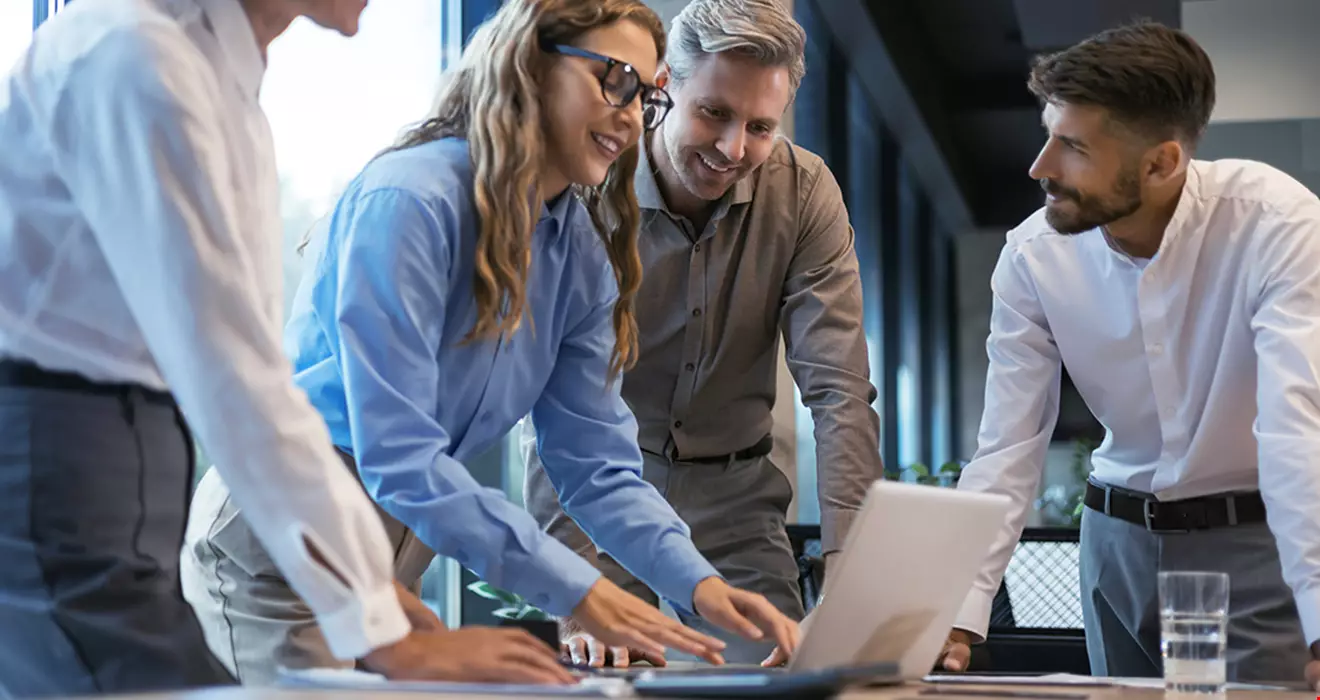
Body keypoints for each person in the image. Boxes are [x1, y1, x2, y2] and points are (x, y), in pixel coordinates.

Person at [180, 0, 799, 685]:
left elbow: (596, 464)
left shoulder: (579, 256)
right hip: (277, 545)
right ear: (532, 65)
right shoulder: (409, 203)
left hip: (389, 557)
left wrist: (702, 587)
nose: (629, 114)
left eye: (645, 96)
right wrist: (578, 590)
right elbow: (399, 455)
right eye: (615, 79)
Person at [0, 0, 573, 696]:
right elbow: (236, 376)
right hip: (62, 474)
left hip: (124, 471)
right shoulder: (139, 61)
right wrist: (381, 631)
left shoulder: (222, 84)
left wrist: (373, 597)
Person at [934, 22, 1320, 686]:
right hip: (1116, 548)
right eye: (1048, 134)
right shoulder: (1032, 254)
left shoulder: (1277, 224)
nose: (1041, 167)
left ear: (1162, 163)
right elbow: (1007, 445)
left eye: (1074, 147)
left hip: (1259, 547)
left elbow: (1295, 425)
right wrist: (959, 610)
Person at [522, 0, 883, 667]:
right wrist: (573, 587)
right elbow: (553, 407)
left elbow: (839, 392)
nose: (733, 149)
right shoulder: (588, 181)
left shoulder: (804, 194)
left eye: (760, 127)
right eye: (714, 113)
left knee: (783, 675)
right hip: (597, 489)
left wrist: (850, 564)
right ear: (663, 87)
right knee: (608, 673)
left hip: (736, 497)